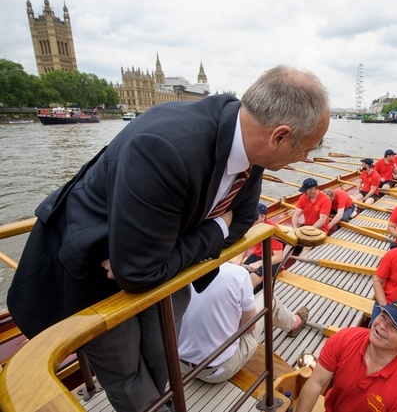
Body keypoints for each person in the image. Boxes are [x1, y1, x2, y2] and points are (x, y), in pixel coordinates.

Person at [7, 65, 330, 412]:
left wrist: (174, 248)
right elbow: (139, 273)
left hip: (163, 266)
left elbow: (243, 220)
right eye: (307, 149)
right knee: (128, 375)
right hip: (94, 273)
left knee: (162, 355)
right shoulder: (165, 147)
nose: (306, 158)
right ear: (279, 136)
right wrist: (214, 229)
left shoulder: (252, 146)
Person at [178, 263, 309, 383]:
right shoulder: (238, 274)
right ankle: (294, 323)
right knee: (267, 299)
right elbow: (249, 328)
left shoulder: (183, 267)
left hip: (180, 367)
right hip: (216, 371)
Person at [295, 301, 397, 412]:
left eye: (394, 326)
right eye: (383, 316)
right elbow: (316, 382)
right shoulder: (344, 338)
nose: (382, 325)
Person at [237, 203, 283, 289]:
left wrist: (259, 263)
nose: (251, 217)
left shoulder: (273, 230)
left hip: (271, 259)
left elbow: (278, 257)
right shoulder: (250, 225)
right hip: (257, 255)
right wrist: (240, 259)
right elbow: (245, 245)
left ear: (263, 217)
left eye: (254, 215)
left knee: (251, 279)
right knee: (238, 274)